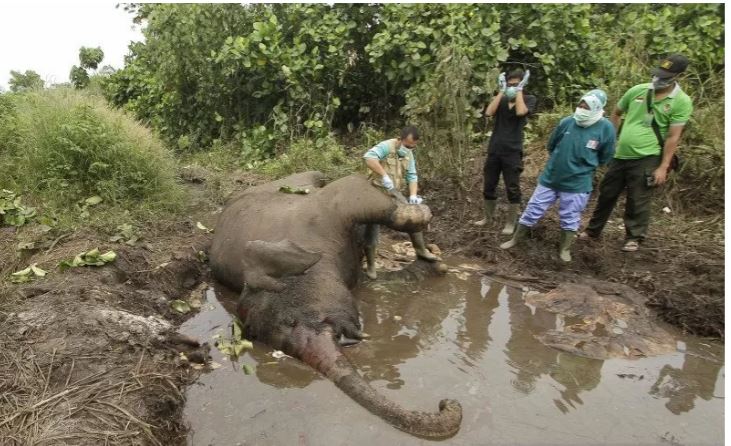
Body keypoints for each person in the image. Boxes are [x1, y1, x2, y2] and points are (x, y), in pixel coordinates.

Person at [580, 54, 693, 252]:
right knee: (607, 193)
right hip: (621, 154)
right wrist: (610, 141)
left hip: (648, 156)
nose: (659, 80)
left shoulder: (681, 101)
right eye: (658, 75)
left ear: (678, 77)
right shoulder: (637, 91)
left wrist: (663, 167)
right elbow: (616, 113)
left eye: (666, 77)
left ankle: (634, 237)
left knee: (637, 198)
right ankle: (592, 231)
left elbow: (673, 137)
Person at [500, 89, 615, 262]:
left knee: (570, 216)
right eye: (580, 105)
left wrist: (583, 164)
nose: (582, 109)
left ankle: (564, 249)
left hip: (578, 183)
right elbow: (551, 145)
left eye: (587, 107)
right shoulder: (568, 122)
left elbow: (606, 156)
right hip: (551, 178)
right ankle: (516, 239)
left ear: (597, 108)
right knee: (533, 209)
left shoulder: (606, 128)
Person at [362, 126, 439, 279]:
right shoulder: (386, 146)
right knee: (372, 228)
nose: (409, 148)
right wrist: (383, 175)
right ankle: (371, 266)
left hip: (393, 192)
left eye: (412, 146)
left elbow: (412, 175)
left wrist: (413, 195)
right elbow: (368, 158)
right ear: (400, 139)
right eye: (407, 145)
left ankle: (421, 250)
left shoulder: (409, 154)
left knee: (414, 216)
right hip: (376, 191)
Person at [474, 68, 537, 235]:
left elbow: (520, 112)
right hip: (495, 149)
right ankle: (488, 217)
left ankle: (511, 222)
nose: (512, 87)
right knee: (489, 185)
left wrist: (519, 92)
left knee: (512, 187)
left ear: (523, 85)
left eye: (516, 84)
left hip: (513, 151)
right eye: (510, 84)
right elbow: (488, 112)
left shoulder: (529, 99)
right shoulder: (501, 99)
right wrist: (501, 92)